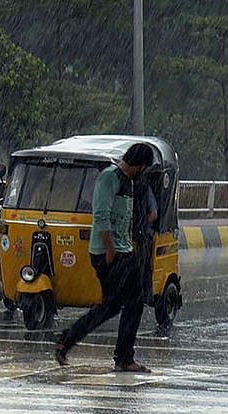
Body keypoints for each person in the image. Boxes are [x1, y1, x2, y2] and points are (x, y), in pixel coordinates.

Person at [54, 143, 155, 372]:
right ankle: (123, 358)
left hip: (123, 252)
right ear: (139, 165)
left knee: (113, 306)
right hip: (109, 253)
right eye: (144, 167)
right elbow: (100, 215)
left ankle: (68, 340)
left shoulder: (126, 181)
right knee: (132, 301)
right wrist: (110, 250)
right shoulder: (109, 178)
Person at [132, 176, 159, 304]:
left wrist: (141, 224)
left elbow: (154, 214)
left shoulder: (144, 190)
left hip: (143, 235)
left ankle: (144, 294)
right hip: (133, 233)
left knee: (143, 265)